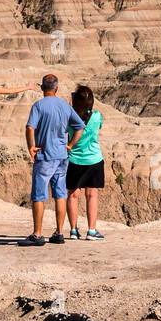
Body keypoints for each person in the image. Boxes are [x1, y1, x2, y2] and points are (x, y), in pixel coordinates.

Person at [23, 74, 83, 246]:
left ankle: (37, 234)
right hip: (62, 156)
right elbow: (80, 127)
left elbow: (30, 127)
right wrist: (70, 145)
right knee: (60, 194)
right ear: (56, 88)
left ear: (42, 88)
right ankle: (59, 233)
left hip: (45, 155)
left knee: (39, 195)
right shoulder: (65, 106)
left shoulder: (38, 106)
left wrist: (31, 146)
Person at [66, 85, 105, 240]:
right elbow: (99, 128)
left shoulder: (70, 117)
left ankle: (73, 230)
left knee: (73, 195)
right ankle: (91, 230)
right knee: (92, 195)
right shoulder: (97, 116)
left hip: (74, 159)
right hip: (94, 159)